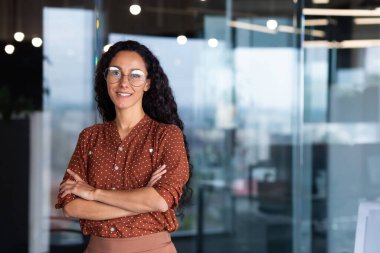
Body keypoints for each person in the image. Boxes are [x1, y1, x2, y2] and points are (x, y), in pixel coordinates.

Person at [55, 40, 192, 253]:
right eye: (115, 73)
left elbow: (161, 201)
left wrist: (94, 193)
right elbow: (71, 206)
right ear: (106, 78)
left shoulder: (167, 135)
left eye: (135, 75)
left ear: (147, 83)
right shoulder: (90, 137)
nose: (124, 83)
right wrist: (142, 201)